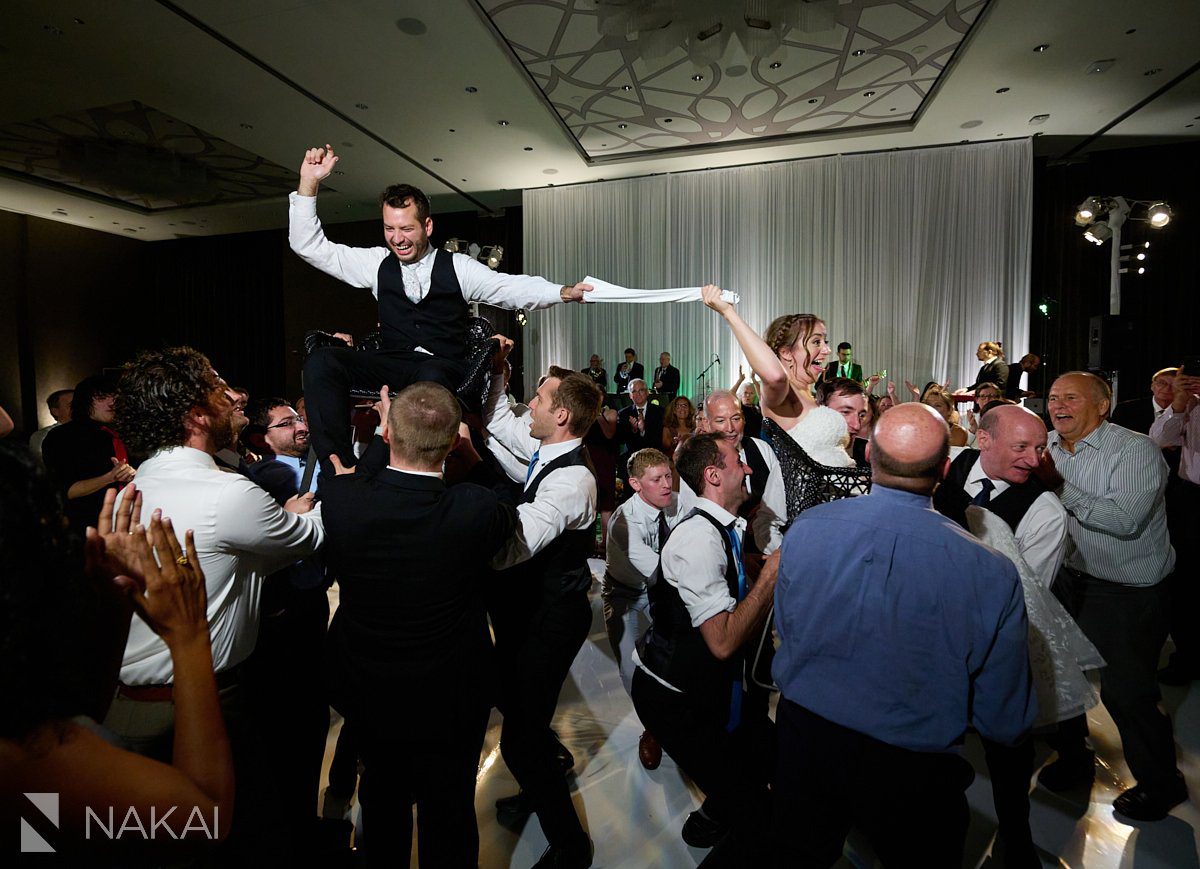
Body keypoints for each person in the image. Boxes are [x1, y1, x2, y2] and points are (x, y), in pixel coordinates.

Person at [772, 403, 1036, 867]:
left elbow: (790, 630)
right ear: (946, 469)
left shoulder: (807, 530)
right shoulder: (990, 571)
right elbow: (1003, 715)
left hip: (804, 743)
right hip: (912, 769)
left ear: (868, 454)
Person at [288, 144, 593, 470]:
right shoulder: (376, 264)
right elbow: (310, 246)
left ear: (428, 226)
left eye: (406, 228)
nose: (398, 238)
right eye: (389, 229)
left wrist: (565, 292)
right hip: (393, 363)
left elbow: (510, 287)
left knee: (430, 376)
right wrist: (308, 183)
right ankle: (339, 465)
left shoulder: (459, 267)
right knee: (322, 361)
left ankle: (422, 469)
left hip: (444, 367)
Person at [0, 448, 233, 857]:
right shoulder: (26, 759)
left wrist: (113, 610)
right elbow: (206, 818)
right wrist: (189, 633)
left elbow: (79, 712)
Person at [321, 382, 516, 867]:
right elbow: (507, 501)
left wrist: (388, 427)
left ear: (386, 434)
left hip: (371, 687)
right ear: (454, 442)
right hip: (452, 693)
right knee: (448, 810)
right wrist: (473, 453)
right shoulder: (473, 509)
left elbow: (363, 480)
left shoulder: (342, 501)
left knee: (382, 803)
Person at [104, 349, 325, 766]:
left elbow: (225, 565)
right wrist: (325, 498)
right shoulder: (225, 493)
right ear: (197, 415)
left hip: (126, 703)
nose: (231, 397)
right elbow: (308, 538)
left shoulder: (134, 492)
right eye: (217, 387)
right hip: (199, 703)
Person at [1033, 372, 1185, 821]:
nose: (1058, 405)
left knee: (1127, 693)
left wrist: (1057, 484)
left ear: (1103, 405)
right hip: (1069, 576)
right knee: (1059, 674)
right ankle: (1075, 760)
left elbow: (1124, 520)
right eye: (1054, 397)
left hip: (1128, 590)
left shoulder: (1135, 450)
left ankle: (1163, 784)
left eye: (1071, 398)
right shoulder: (1047, 446)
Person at [932, 404, 1075, 866]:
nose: (1035, 460)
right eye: (1021, 447)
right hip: (934, 639)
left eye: (1040, 447)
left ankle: (1016, 838)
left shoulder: (1046, 511)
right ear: (983, 440)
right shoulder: (948, 468)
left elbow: (1024, 595)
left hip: (1000, 644)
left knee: (1007, 751)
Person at [632, 433, 779, 867]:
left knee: (765, 753)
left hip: (704, 689)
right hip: (673, 698)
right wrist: (770, 577)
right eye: (739, 462)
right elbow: (723, 641)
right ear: (714, 475)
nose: (749, 468)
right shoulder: (699, 538)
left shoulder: (722, 529)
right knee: (760, 819)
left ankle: (710, 818)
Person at [484, 352, 603, 869]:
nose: (528, 404)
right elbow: (497, 423)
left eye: (537, 398)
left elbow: (514, 547)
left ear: (561, 416)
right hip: (531, 609)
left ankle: (571, 845)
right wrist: (496, 373)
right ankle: (547, 767)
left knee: (518, 739)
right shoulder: (547, 455)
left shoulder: (570, 480)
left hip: (552, 617)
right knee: (506, 695)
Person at [242, 399, 331, 848]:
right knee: (295, 717)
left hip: (311, 597)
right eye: (286, 423)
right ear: (264, 437)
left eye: (298, 418)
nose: (299, 426)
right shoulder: (268, 479)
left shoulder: (310, 463)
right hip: (285, 609)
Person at [603, 447, 694, 769]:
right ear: (635, 484)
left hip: (661, 592)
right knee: (630, 668)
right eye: (656, 479)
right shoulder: (623, 522)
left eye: (669, 475)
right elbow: (665, 573)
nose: (667, 484)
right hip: (625, 593)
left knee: (676, 655)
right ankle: (652, 729)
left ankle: (681, 718)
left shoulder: (679, 501)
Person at [700, 286, 847, 470]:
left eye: (825, 342)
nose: (827, 350)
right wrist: (728, 312)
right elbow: (776, 377)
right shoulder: (782, 397)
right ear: (786, 352)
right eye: (816, 342)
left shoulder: (810, 395)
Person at [1149, 368, 1200, 684]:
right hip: (1190, 499)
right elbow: (1158, 439)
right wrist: (1179, 403)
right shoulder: (1188, 404)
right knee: (1186, 583)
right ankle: (1188, 657)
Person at [41, 373, 134, 531]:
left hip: (130, 523)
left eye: (115, 396)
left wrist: (136, 474)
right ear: (85, 402)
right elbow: (65, 491)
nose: (112, 402)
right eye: (102, 397)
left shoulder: (127, 432)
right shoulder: (62, 437)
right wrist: (110, 477)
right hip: (87, 529)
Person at [616, 378, 664, 481]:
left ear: (647, 392)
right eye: (634, 391)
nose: (638, 394)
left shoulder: (659, 412)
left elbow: (659, 438)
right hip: (631, 458)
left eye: (641, 390)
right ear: (630, 395)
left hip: (653, 456)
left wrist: (643, 431)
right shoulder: (623, 413)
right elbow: (620, 439)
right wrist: (633, 430)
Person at [1111, 366, 1178, 435]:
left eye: (1174, 385)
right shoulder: (1125, 410)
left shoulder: (1187, 412)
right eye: (1162, 383)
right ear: (1152, 386)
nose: (1167, 388)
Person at [816, 377, 867, 465]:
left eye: (861, 415)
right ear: (821, 411)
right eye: (845, 412)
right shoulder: (802, 454)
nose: (857, 425)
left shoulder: (869, 454)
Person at [28, 387, 73, 458]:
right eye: (72, 405)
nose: (79, 408)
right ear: (55, 411)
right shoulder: (43, 436)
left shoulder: (91, 431)